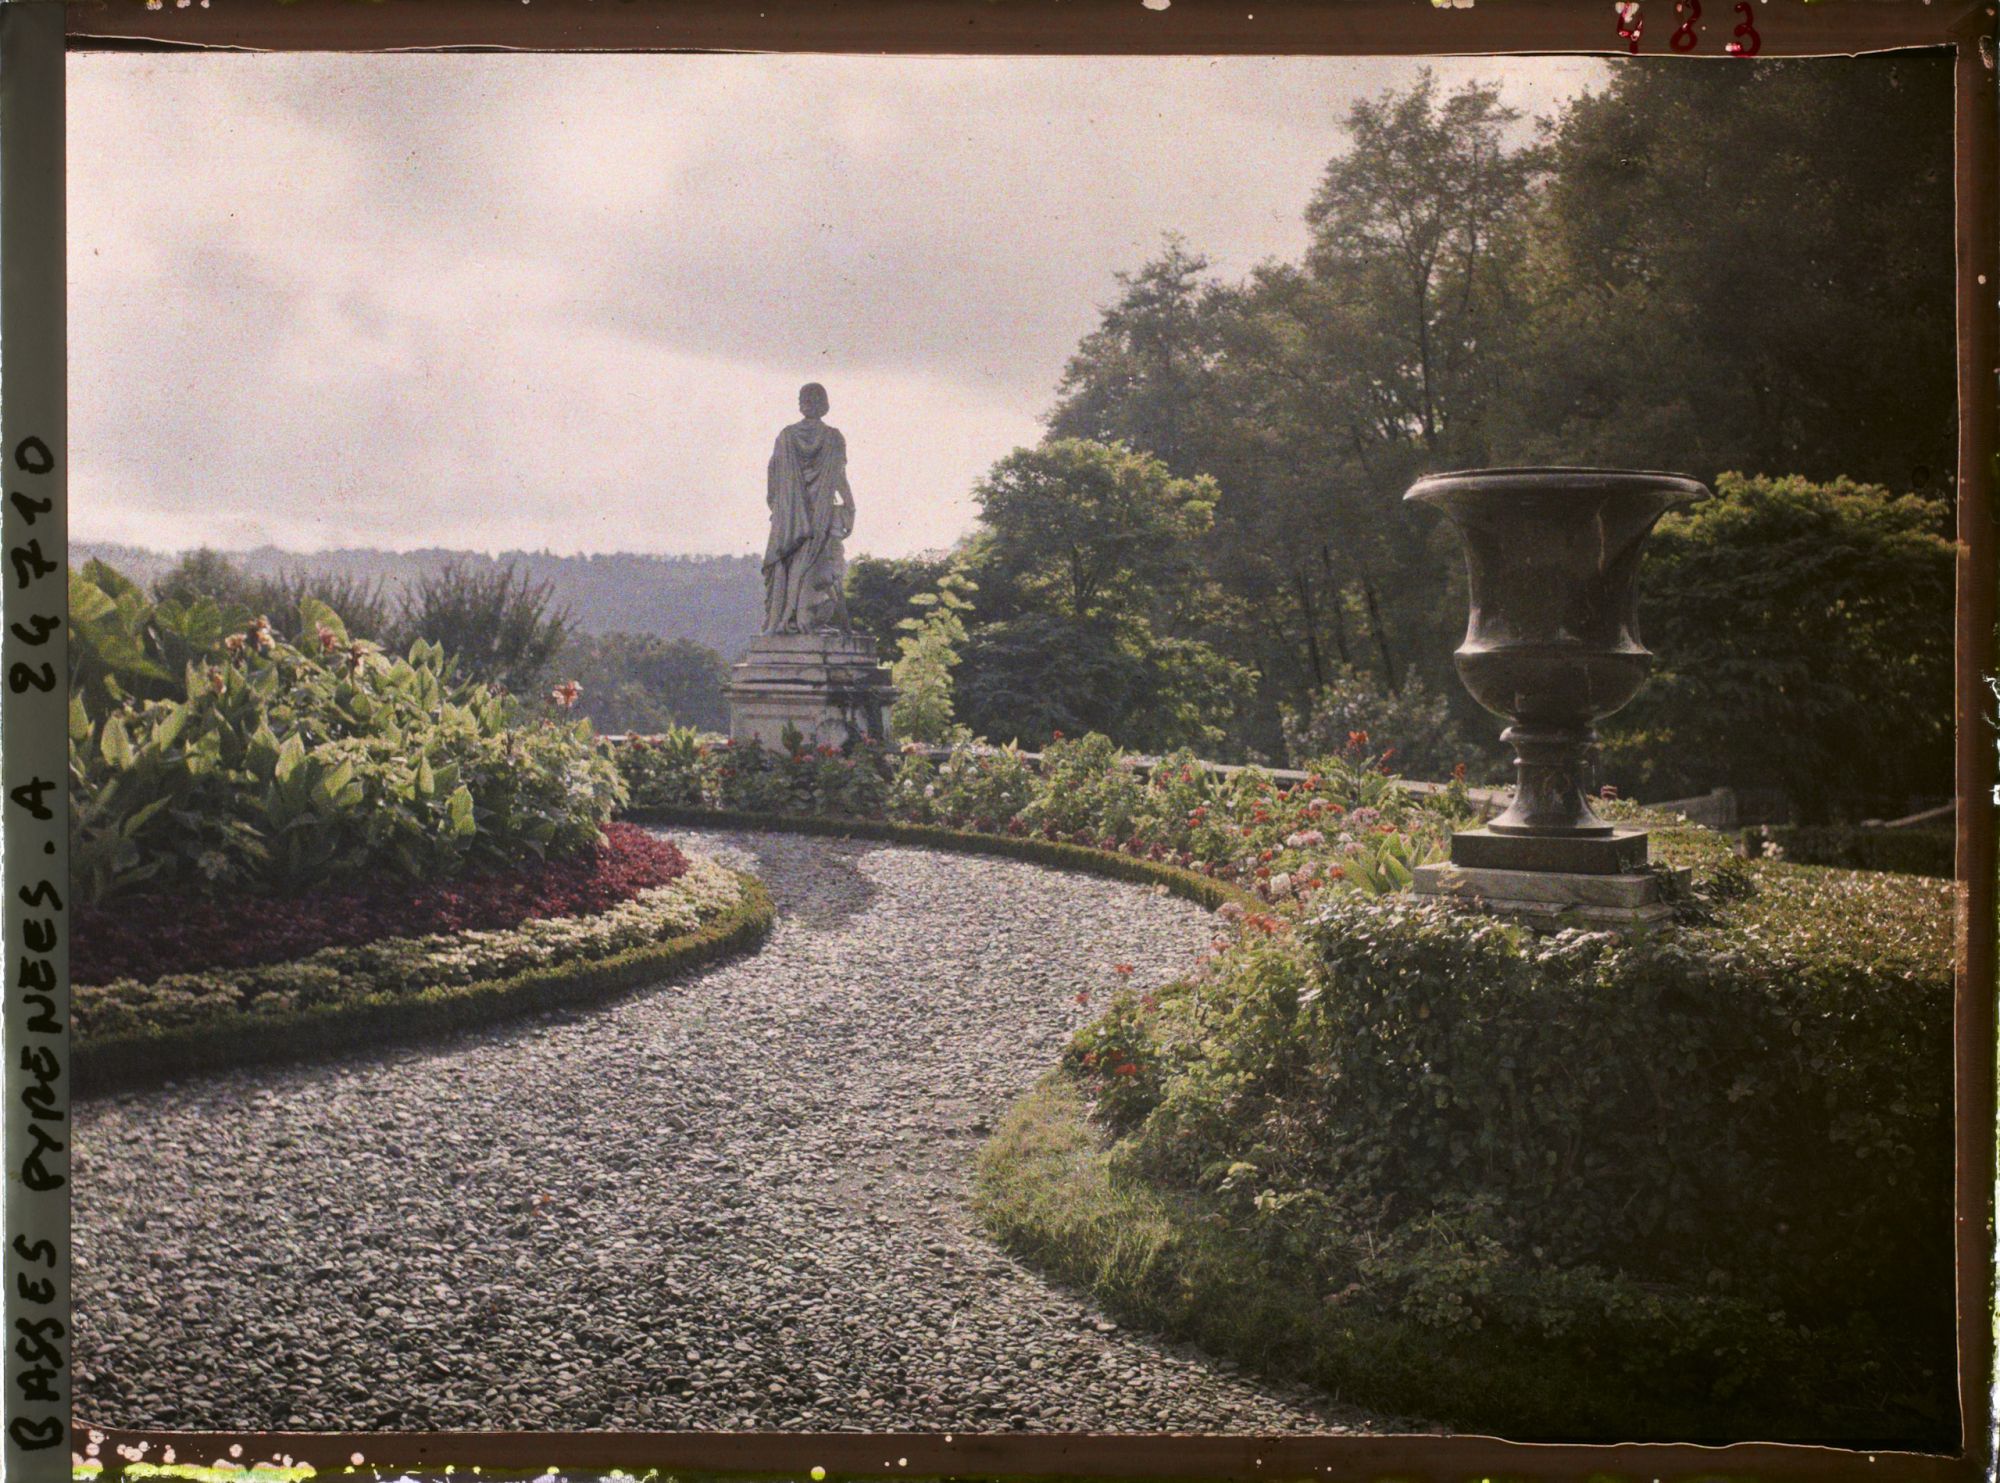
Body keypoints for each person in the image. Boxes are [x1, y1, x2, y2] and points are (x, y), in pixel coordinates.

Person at [761, 382, 855, 634]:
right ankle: (801, 620)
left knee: (791, 565)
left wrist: (780, 509)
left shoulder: (786, 437)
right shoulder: (833, 437)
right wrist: (850, 507)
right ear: (825, 404)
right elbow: (839, 478)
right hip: (820, 516)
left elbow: (773, 479)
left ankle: (787, 619)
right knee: (817, 565)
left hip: (790, 517)